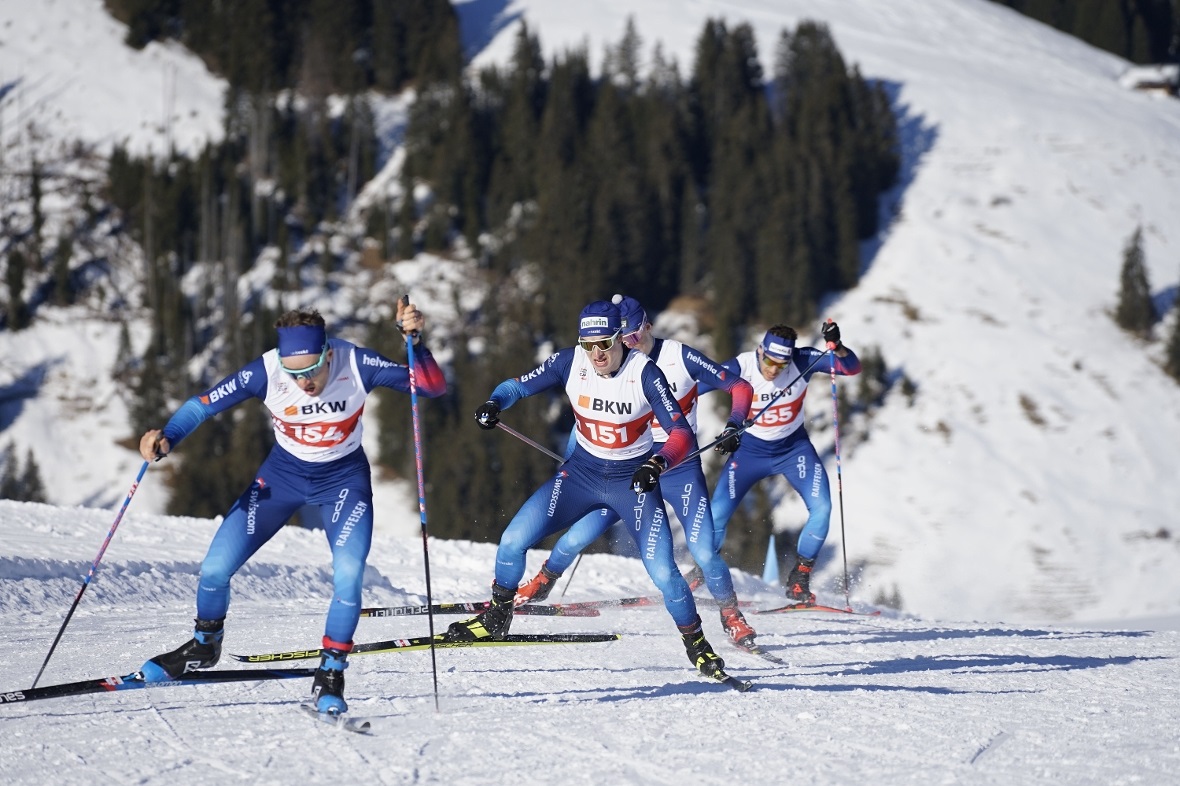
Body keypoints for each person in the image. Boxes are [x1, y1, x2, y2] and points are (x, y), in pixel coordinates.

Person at [136, 301, 445, 715]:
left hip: (344, 482)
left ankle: (332, 671)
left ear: (328, 354)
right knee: (213, 569)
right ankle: (204, 647)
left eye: (312, 370)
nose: (303, 382)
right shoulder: (266, 371)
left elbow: (429, 386)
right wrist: (167, 438)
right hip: (281, 479)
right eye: (294, 373)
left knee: (349, 577)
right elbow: (202, 405)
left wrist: (415, 343)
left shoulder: (355, 362)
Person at [452, 300, 729, 678]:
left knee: (664, 573)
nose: (597, 353)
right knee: (513, 539)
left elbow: (680, 431)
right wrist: (494, 403)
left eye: (605, 343)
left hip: (631, 482)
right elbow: (516, 386)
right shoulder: (569, 362)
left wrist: (657, 463)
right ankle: (498, 615)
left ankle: (697, 644)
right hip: (581, 475)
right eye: (588, 344)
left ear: (622, 340)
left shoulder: (645, 373)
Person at [515, 295, 762, 647]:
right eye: (621, 339)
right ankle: (543, 580)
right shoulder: (607, 365)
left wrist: (735, 423)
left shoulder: (679, 356)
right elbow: (586, 418)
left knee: (704, 551)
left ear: (646, 326)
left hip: (677, 468)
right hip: (624, 470)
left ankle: (731, 614)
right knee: (576, 536)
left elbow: (739, 385)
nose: (626, 345)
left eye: (632, 336)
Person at [709, 322, 860, 604]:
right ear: (760, 350)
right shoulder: (741, 366)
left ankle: (799, 580)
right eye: (768, 361)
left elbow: (851, 368)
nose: (774, 370)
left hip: (793, 450)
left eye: (782, 364)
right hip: (749, 453)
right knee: (716, 514)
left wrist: (837, 347)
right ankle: (703, 571)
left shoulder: (803, 359)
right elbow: (695, 385)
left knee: (823, 508)